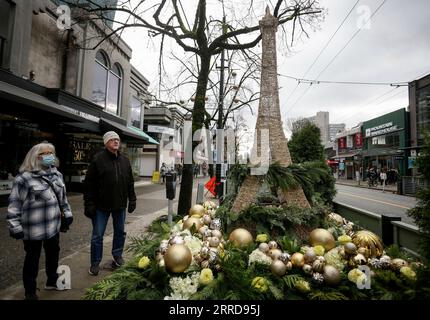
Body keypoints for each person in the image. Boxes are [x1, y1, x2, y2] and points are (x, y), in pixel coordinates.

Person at [6, 142, 73, 300]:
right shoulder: (24, 178)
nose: (49, 155)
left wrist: (68, 214)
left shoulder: (58, 175)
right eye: (45, 153)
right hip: (33, 229)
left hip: (53, 225)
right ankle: (30, 291)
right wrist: (15, 226)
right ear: (35, 156)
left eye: (51, 152)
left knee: (53, 254)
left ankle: (52, 280)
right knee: (32, 259)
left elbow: (63, 200)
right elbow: (15, 205)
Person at [83, 131, 137, 276]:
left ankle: (117, 255)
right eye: (112, 140)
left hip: (120, 205)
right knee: (97, 236)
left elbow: (130, 182)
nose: (116, 142)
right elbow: (89, 185)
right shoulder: (98, 160)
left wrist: (132, 199)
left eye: (117, 140)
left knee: (120, 232)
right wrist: (89, 204)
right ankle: (95, 263)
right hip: (101, 206)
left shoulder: (125, 160)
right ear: (106, 143)